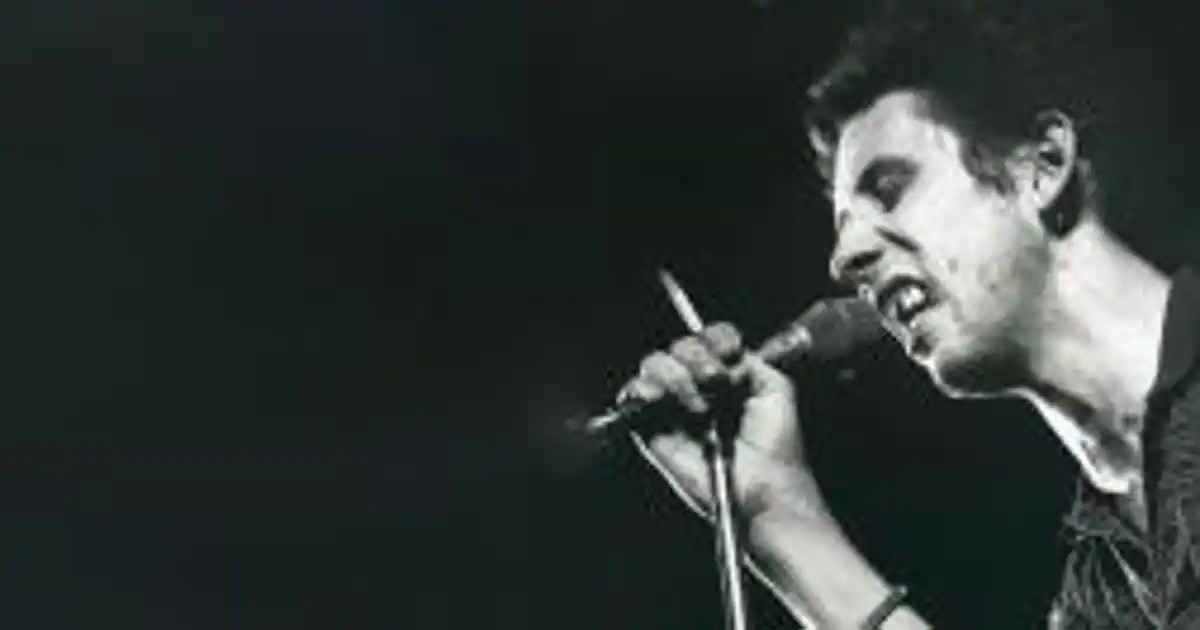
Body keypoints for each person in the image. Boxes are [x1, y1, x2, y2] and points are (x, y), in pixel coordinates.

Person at [615, 2, 1200, 628]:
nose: (843, 258)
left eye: (890, 189)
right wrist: (775, 515)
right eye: (844, 225)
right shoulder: (1103, 583)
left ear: (1044, 165)